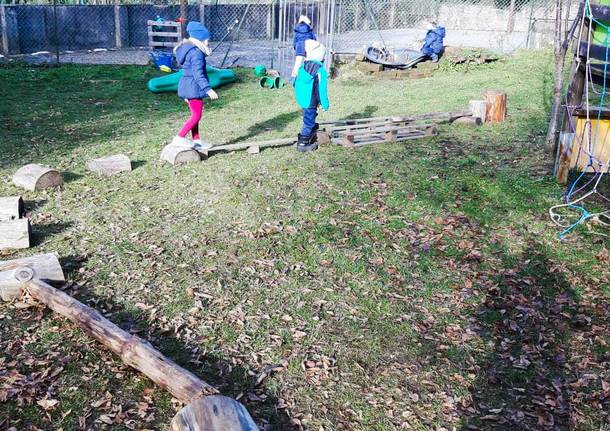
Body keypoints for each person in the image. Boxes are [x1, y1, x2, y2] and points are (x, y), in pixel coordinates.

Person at [171, 21, 219, 150]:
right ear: (201, 39)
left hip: (188, 86)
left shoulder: (190, 49)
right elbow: (198, 74)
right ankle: (179, 137)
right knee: (196, 115)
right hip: (193, 87)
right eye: (207, 40)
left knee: (195, 114)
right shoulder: (196, 53)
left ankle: (196, 140)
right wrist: (208, 90)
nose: (209, 43)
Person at [294, 39, 329, 153]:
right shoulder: (320, 70)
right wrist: (325, 103)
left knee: (309, 114)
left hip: (303, 98)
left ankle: (312, 128)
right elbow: (321, 89)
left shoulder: (303, 67)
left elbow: (296, 83)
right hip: (311, 99)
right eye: (323, 56)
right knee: (308, 120)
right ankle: (303, 142)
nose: (324, 58)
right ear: (320, 56)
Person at [291, 15, 317, 84]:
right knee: (308, 63)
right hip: (309, 46)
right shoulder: (310, 30)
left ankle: (293, 79)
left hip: (299, 46)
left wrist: (296, 48)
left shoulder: (297, 30)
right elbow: (314, 39)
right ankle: (308, 79)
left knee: (297, 63)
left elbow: (294, 41)